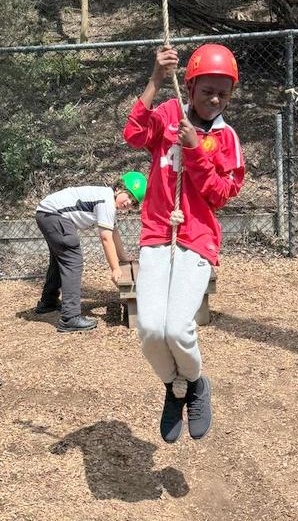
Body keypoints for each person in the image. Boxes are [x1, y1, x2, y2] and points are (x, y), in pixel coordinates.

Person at [123, 43, 245, 444]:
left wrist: (194, 148)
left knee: (177, 329)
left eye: (222, 94)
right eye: (206, 90)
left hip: (196, 239)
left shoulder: (226, 138)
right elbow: (134, 133)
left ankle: (194, 383)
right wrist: (157, 80)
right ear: (189, 87)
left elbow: (220, 194)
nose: (214, 99)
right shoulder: (170, 113)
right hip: (158, 233)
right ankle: (174, 387)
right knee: (150, 331)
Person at [34, 171, 147, 332]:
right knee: (73, 260)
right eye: (128, 196)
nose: (128, 203)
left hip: (47, 213)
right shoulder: (106, 201)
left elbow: (114, 233)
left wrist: (124, 259)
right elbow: (106, 238)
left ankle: (48, 302)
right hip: (52, 215)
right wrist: (115, 268)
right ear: (118, 189)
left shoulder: (107, 199)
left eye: (133, 202)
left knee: (60, 260)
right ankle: (70, 318)